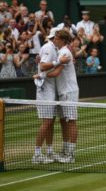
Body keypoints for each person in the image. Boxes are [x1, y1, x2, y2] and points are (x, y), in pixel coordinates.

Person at [36, 30, 79, 163]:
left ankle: (70, 155)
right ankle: (65, 151)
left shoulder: (64, 52)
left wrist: (40, 75)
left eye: (57, 38)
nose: (54, 40)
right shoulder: (60, 52)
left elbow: (55, 73)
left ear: (63, 40)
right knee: (64, 121)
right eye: (54, 38)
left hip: (69, 91)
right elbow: (47, 65)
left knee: (71, 121)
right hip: (62, 92)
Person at [32, 27, 68, 164]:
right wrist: (58, 62)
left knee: (50, 121)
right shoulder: (48, 48)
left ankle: (49, 151)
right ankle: (36, 154)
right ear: (55, 38)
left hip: (51, 90)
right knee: (47, 122)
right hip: (45, 90)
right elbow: (42, 66)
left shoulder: (54, 49)